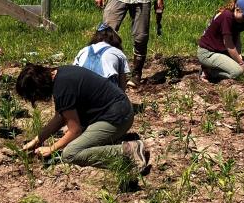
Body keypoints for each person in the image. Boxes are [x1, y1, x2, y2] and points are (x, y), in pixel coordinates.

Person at [16, 64, 150, 174]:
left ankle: (129, 151)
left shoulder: (62, 89)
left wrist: (51, 149)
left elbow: (75, 130)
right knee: (72, 144)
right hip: (119, 110)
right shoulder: (60, 74)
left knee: (70, 153)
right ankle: (120, 142)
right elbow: (60, 117)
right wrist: (38, 139)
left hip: (117, 117)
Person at [197, 0, 244, 82]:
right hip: (208, 53)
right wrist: (241, 63)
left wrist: (239, 56)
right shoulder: (227, 16)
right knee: (237, 72)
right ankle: (209, 71)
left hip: (223, 52)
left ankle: (219, 68)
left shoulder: (239, 20)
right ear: (237, 9)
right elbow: (228, 43)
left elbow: (237, 40)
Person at [73, 22, 130, 88]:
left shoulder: (84, 50)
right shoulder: (118, 53)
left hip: (82, 89)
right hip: (106, 92)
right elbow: (122, 83)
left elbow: (74, 72)